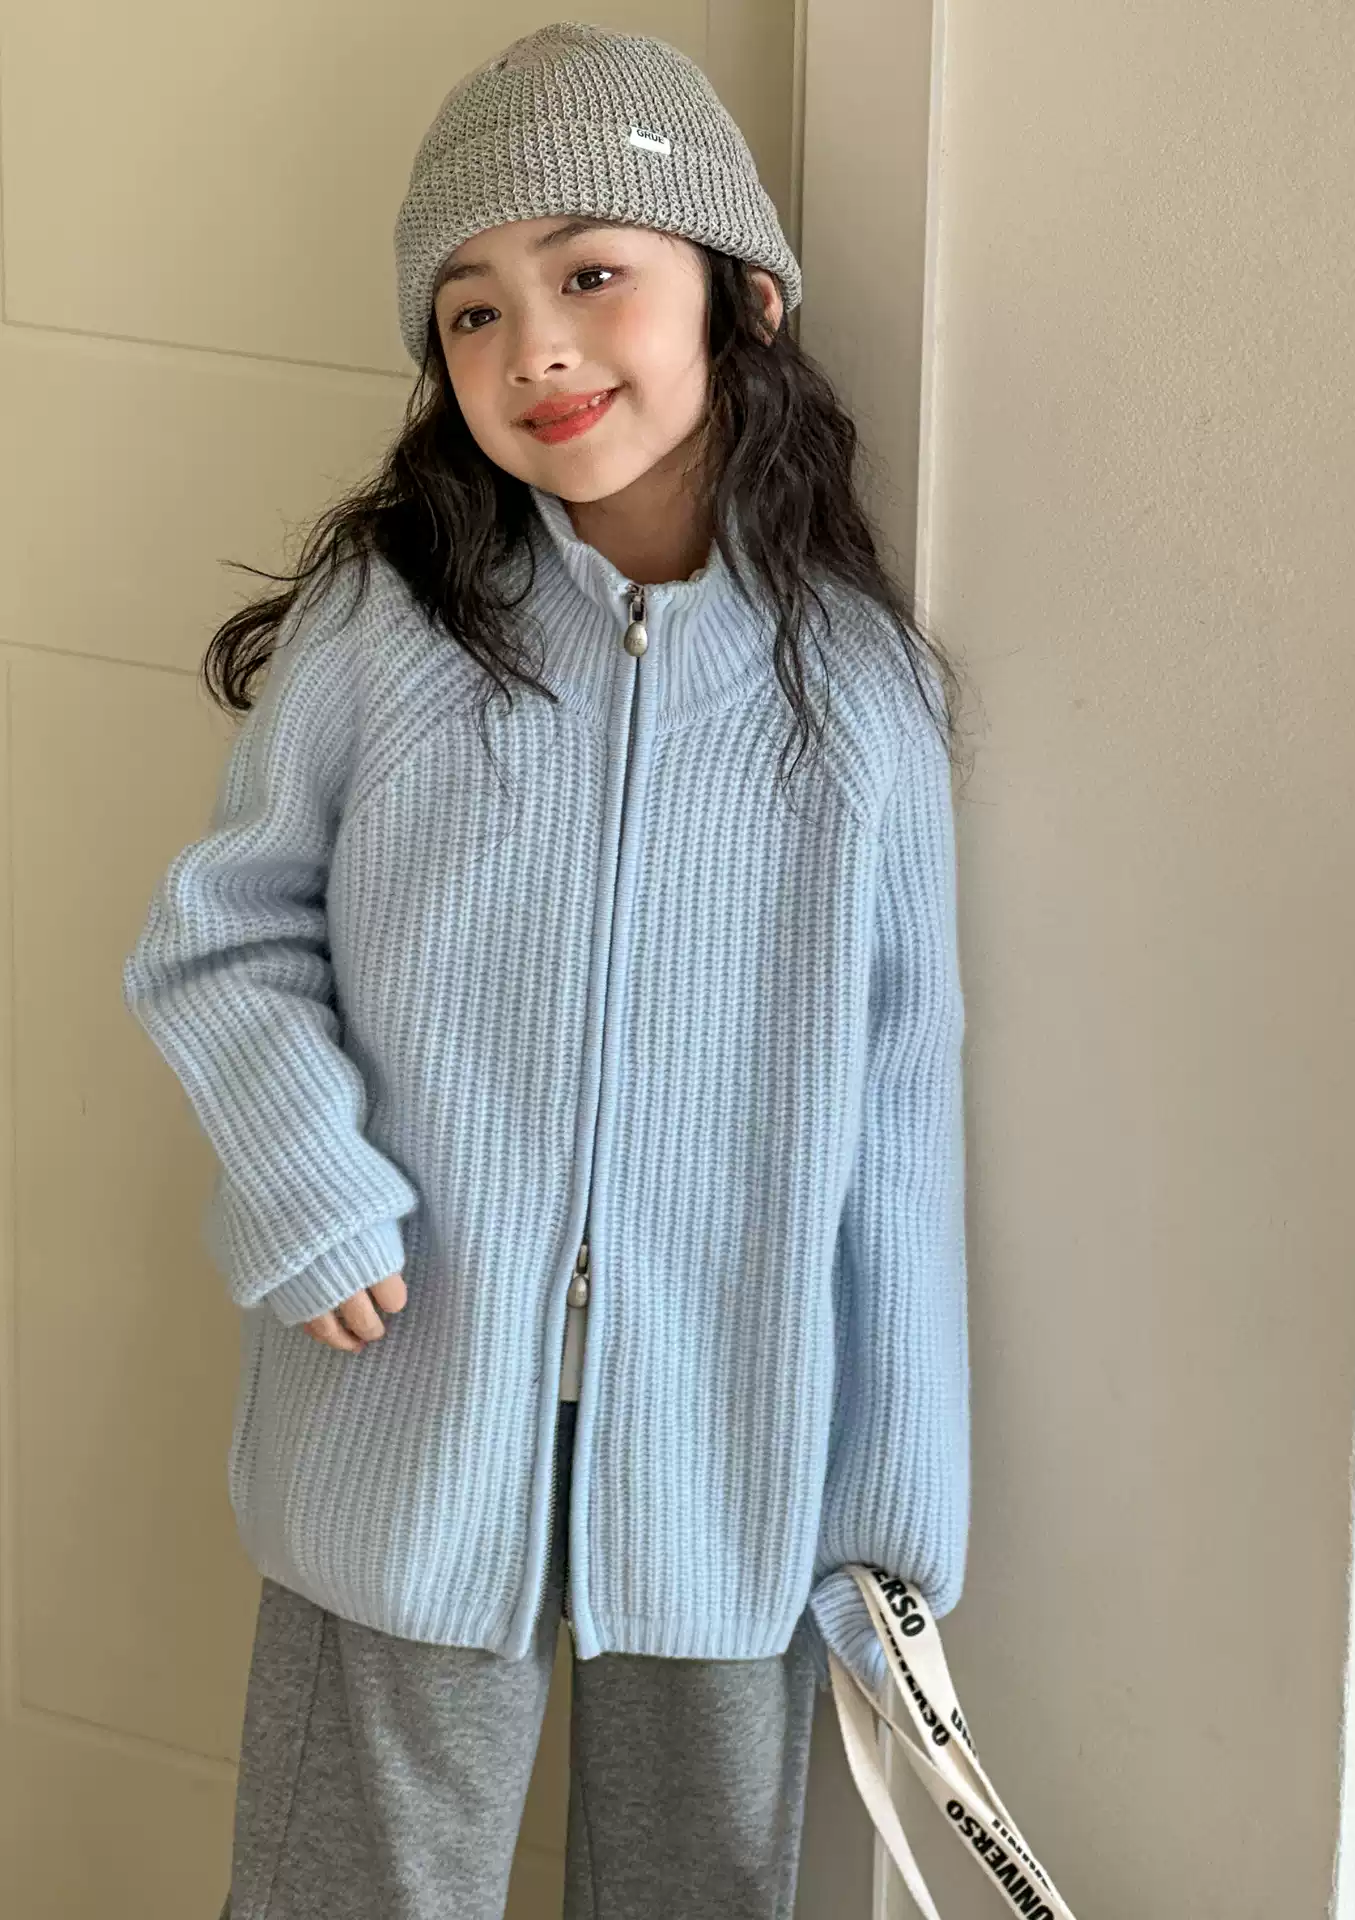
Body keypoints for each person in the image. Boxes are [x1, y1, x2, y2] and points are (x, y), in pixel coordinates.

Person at [122, 21, 972, 1920]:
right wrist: (308, 1187)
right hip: (405, 1408)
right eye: (473, 313)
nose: (537, 351)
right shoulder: (391, 627)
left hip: (731, 1446)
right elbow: (223, 933)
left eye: (592, 273)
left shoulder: (856, 698)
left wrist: (894, 1520)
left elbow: (900, 1114)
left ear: (743, 295)